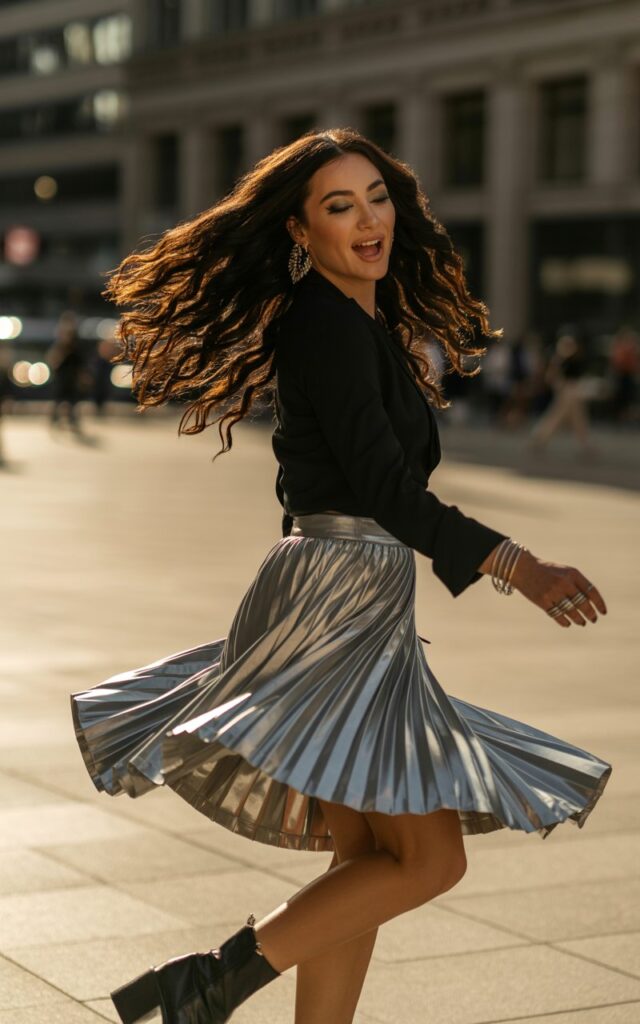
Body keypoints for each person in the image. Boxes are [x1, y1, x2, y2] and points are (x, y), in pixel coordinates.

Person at [69, 129, 612, 1024]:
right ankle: (204, 986)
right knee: (430, 859)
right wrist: (522, 564)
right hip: (336, 596)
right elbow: (387, 492)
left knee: (366, 855)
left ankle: (221, 995)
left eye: (377, 197)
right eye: (338, 205)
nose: (368, 220)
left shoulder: (361, 321)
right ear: (300, 228)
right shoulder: (324, 322)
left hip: (346, 591)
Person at [528, 333, 597, 457]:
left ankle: (585, 445)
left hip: (573, 391)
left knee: (577, 419)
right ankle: (540, 438)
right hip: (568, 392)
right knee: (559, 417)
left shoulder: (569, 359)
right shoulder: (560, 359)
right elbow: (551, 377)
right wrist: (560, 386)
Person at [47, 311, 86, 434]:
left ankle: (72, 420)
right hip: (61, 376)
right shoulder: (59, 343)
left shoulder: (76, 343)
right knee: (58, 399)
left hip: (72, 377)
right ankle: (54, 419)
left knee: (73, 401)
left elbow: (80, 361)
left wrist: (82, 376)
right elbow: (53, 359)